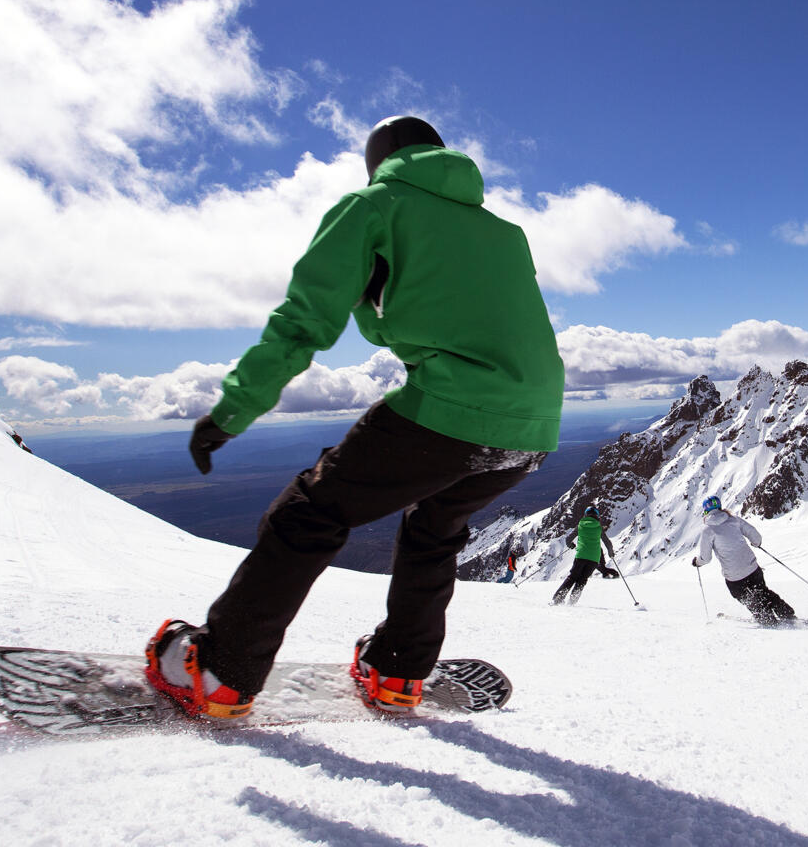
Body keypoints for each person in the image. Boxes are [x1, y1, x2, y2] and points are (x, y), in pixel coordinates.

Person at [144, 115, 565, 719]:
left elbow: (305, 319)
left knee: (311, 512)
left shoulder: (374, 206)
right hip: (535, 422)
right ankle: (396, 672)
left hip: (451, 406)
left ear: (379, 161)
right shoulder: (505, 232)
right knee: (433, 532)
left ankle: (220, 670)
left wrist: (235, 407)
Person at [691, 495, 798, 626]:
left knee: (747, 598)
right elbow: (755, 535)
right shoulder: (734, 520)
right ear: (719, 507)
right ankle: (787, 613)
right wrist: (756, 543)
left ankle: (767, 619)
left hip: (734, 576)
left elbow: (706, 558)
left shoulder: (708, 530)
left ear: (706, 511)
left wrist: (697, 562)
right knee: (763, 591)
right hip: (752, 567)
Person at [550, 505, 619, 605]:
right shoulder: (599, 527)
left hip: (581, 555)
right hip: (594, 559)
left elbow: (568, 539)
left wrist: (571, 545)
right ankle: (572, 602)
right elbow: (607, 542)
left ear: (586, 515)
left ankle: (557, 599)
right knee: (582, 579)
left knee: (572, 577)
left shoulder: (580, 525)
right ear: (597, 516)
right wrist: (611, 553)